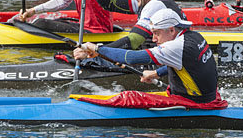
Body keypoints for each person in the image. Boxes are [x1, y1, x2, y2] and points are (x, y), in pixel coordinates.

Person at [73, 8, 226, 107]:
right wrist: (157, 73)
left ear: (171, 30)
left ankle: (79, 103)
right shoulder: (194, 36)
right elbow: (187, 64)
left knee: (128, 97)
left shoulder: (175, 46)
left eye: (157, 33)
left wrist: (97, 49)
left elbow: (131, 58)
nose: (153, 39)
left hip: (195, 103)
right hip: (207, 96)